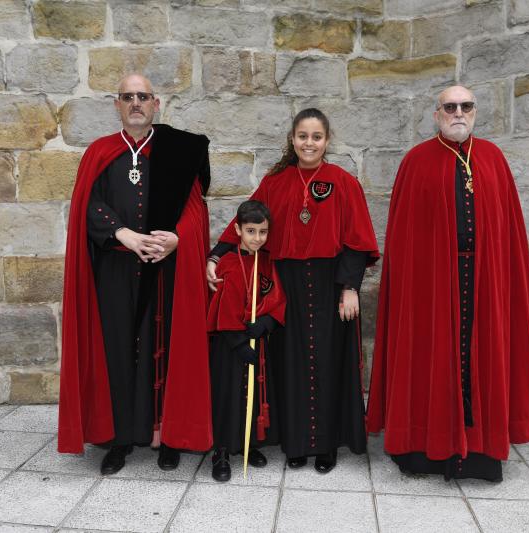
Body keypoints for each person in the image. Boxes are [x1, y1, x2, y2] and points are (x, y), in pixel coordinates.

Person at [366, 85, 529, 482]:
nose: (458, 112)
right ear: (436, 114)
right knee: (429, 356)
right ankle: (422, 449)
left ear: (476, 112)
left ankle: (479, 451)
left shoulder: (494, 159)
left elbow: (507, 231)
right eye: (450, 106)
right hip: (430, 286)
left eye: (466, 106)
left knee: (482, 357)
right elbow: (403, 240)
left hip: (483, 281)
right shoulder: (416, 162)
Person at [207, 108, 379, 474]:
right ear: (292, 139)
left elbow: (356, 240)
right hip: (286, 286)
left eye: (316, 137)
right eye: (303, 136)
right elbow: (246, 221)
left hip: (331, 282)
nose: (309, 143)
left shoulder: (344, 182)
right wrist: (215, 255)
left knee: (331, 362)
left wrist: (349, 288)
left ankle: (329, 445)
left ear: (326, 141)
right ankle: (297, 443)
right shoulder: (275, 181)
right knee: (292, 364)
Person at [58, 74, 213, 475]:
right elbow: (87, 206)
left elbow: (196, 210)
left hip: (164, 271)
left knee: (164, 348)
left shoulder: (177, 152)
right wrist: (122, 233)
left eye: (143, 96)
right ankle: (119, 439)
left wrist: (178, 238)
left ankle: (169, 435)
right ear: (117, 104)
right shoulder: (100, 153)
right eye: (128, 97)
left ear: (156, 104)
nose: (136, 103)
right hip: (115, 270)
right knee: (118, 352)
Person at [206, 200, 286, 482]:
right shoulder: (227, 263)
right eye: (251, 231)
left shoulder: (266, 261)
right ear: (238, 230)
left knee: (253, 395)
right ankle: (222, 451)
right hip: (231, 346)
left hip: (258, 342)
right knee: (229, 397)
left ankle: (248, 444)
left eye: (263, 232)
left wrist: (266, 321)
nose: (257, 238)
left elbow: (277, 298)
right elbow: (223, 307)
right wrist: (238, 342)